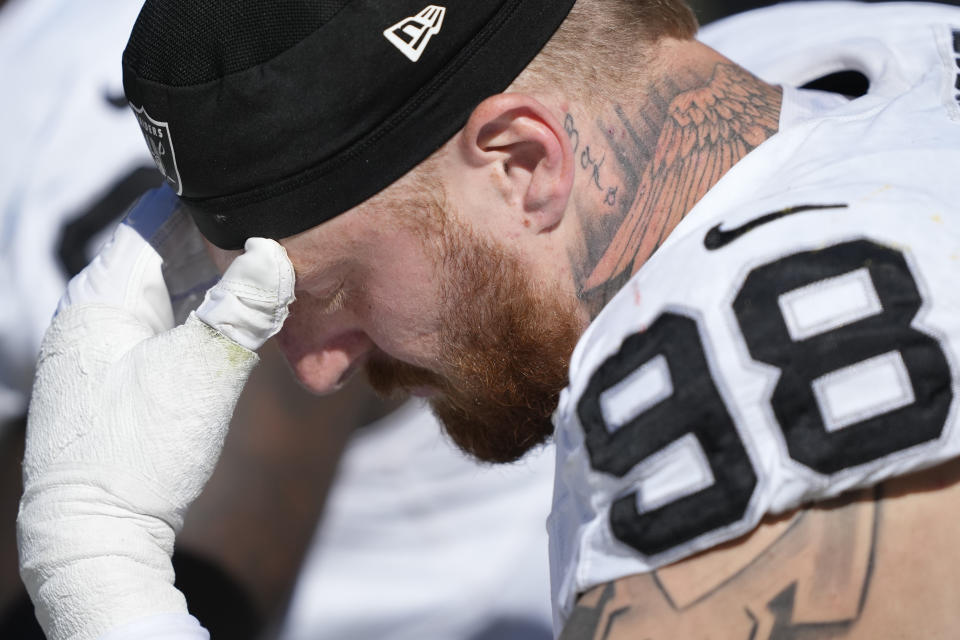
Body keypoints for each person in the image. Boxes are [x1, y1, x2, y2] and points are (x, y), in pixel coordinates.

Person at [16, 1, 960, 639]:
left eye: (324, 295)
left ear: (520, 161)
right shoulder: (842, 46)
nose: (316, 368)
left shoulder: (738, 380)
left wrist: (106, 582)